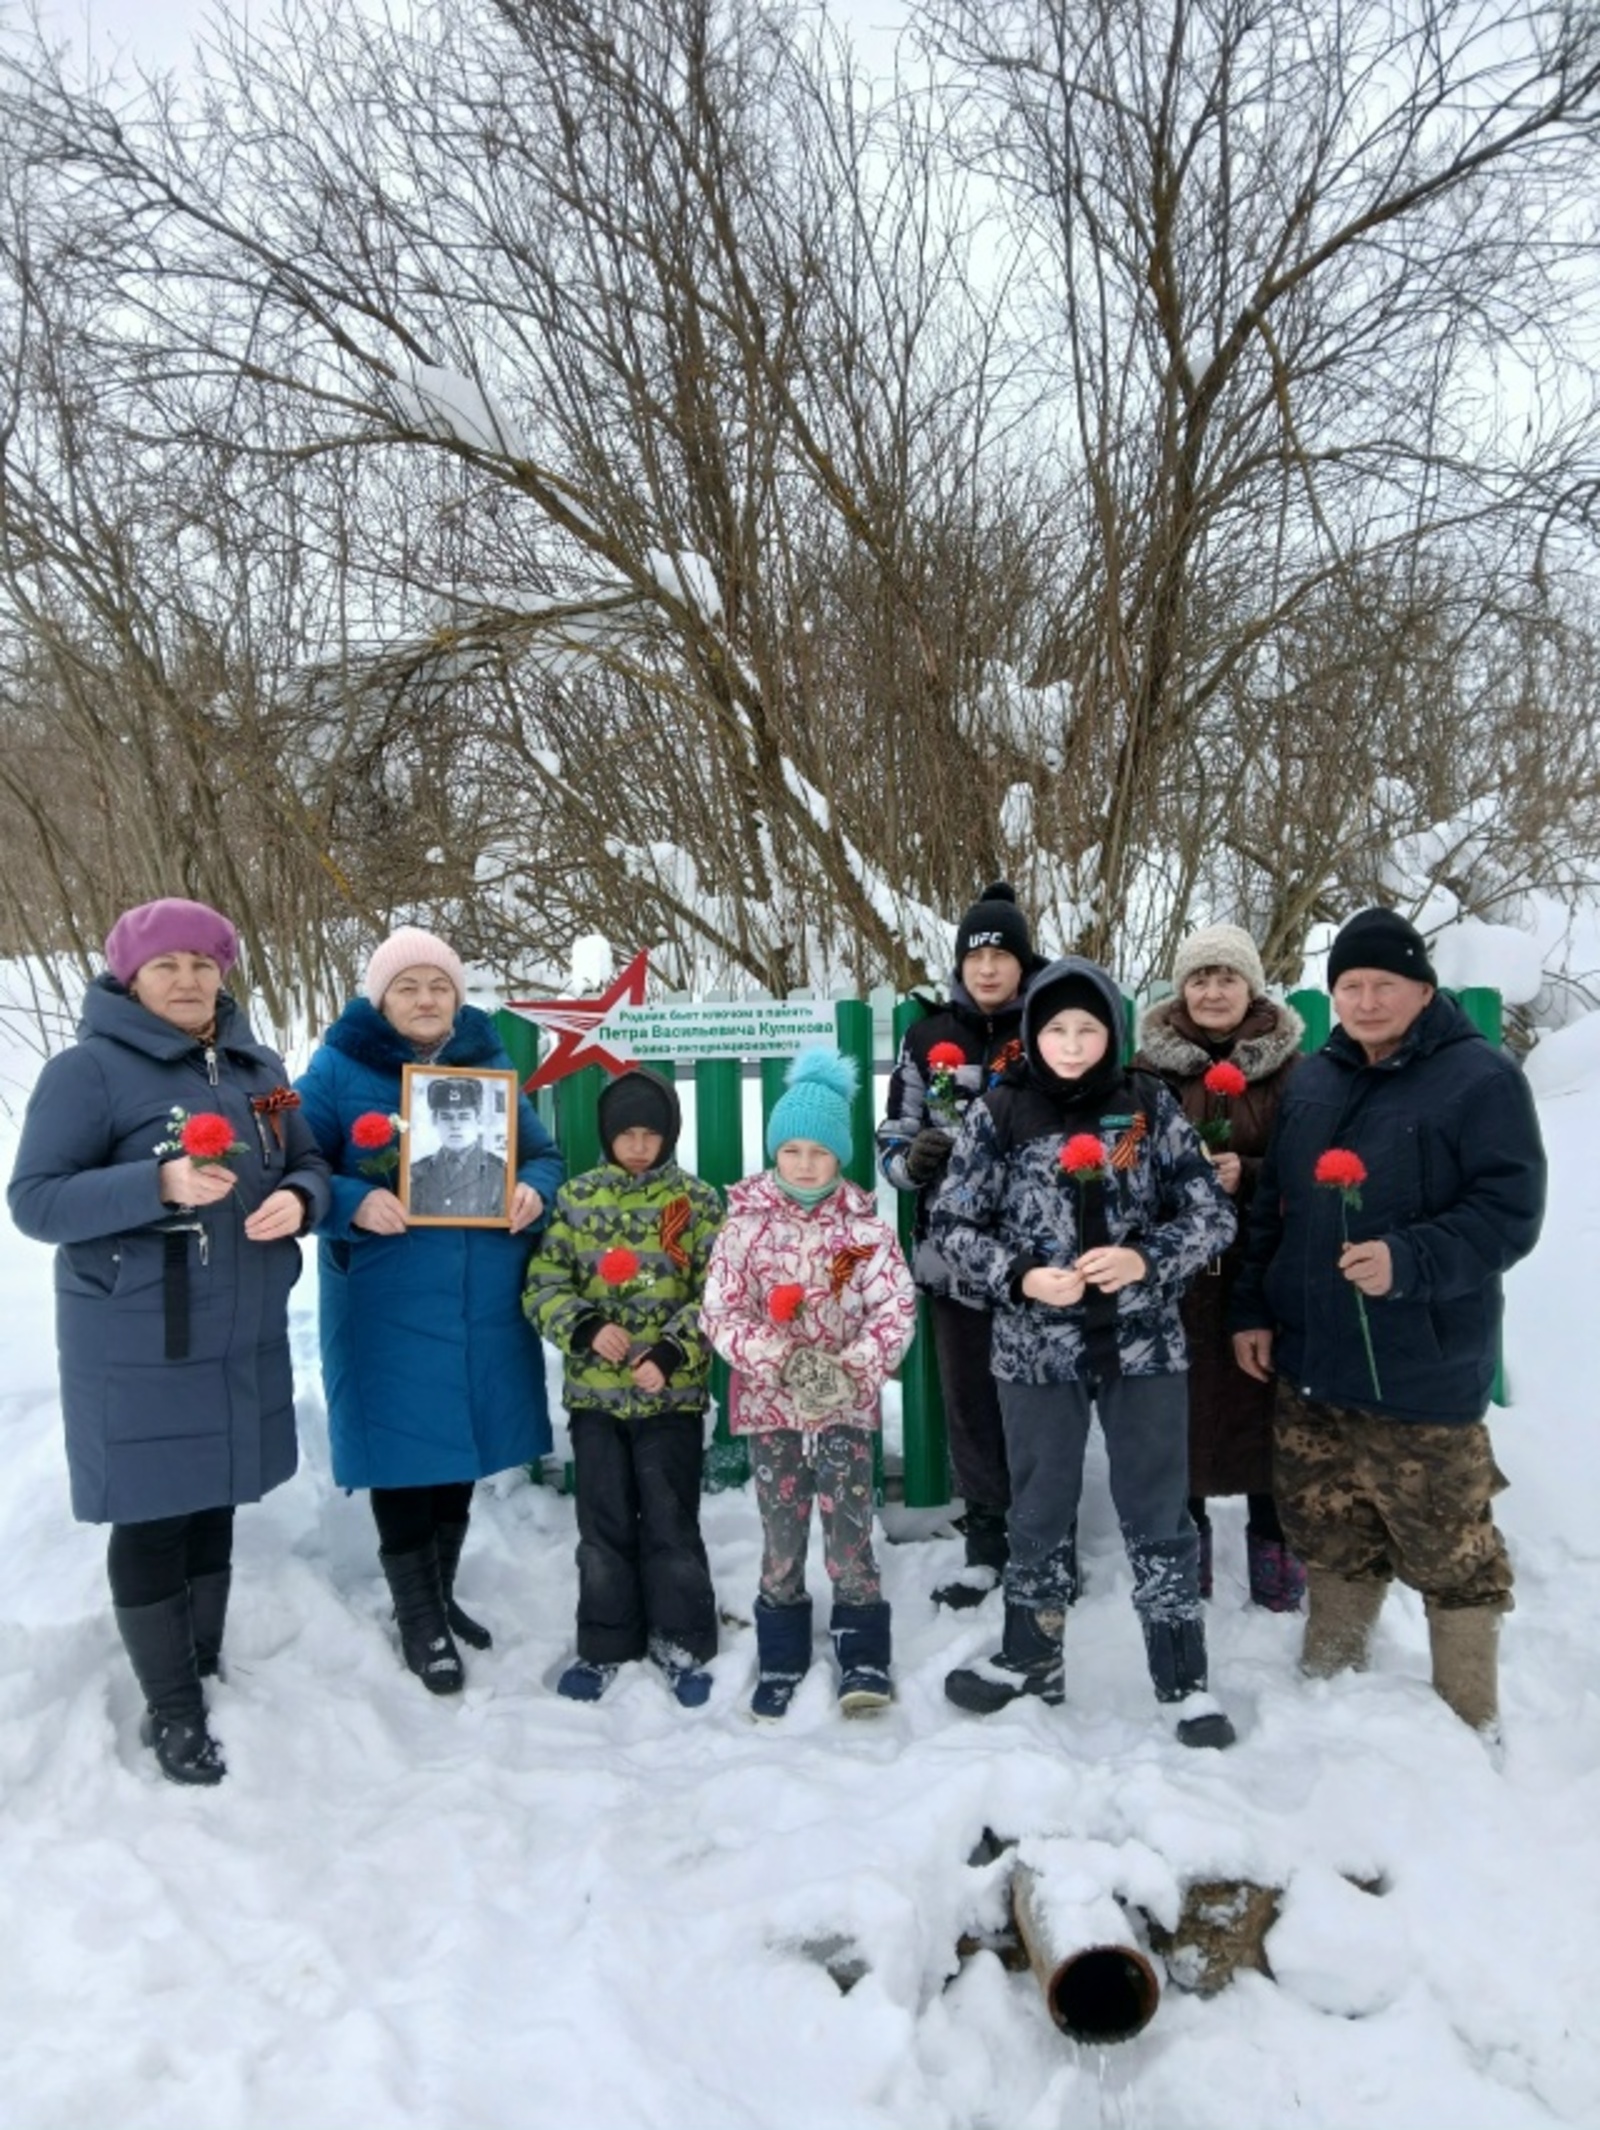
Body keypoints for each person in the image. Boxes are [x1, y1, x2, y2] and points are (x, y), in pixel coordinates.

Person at [7, 898, 331, 1786]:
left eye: (202, 963)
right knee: (153, 1514)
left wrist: (302, 1200)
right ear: (129, 978)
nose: (188, 980)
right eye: (166, 966)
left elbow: (310, 1162)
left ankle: (203, 1660)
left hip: (238, 1329)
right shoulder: (88, 1072)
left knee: (213, 1499)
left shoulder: (259, 1068)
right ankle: (172, 1709)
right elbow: (36, 1200)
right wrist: (159, 1182)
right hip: (137, 1337)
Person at [1230, 907, 1546, 1737]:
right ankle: (1333, 1678)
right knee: (1327, 1528)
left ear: (1423, 989)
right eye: (1350, 986)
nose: (1366, 1002)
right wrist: (1254, 1309)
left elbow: (1508, 1211)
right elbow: (1275, 1208)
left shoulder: (1478, 1079)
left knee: (1449, 1545)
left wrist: (1411, 1259)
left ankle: (1469, 1715)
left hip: (1423, 1366)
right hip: (1313, 1362)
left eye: (1383, 985)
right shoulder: (1317, 1078)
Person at [928, 956, 1239, 1748]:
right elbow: (953, 1227)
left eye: (1088, 1027)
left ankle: (1183, 1681)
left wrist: (1147, 1261)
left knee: (1159, 1509)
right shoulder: (1000, 1112)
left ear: (1112, 1033)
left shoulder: (1148, 1106)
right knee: (1037, 1506)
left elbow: (1209, 1213)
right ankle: (1032, 1658)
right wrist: (1023, 1276)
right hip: (1036, 1353)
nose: (1071, 1043)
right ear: (1034, 1032)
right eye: (1057, 1027)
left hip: (1144, 1349)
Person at [295, 926, 564, 1695]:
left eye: (438, 986)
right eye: (407, 987)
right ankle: (417, 1615)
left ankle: (440, 1595)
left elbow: (541, 1153)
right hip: (386, 1293)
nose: (424, 1000)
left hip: (479, 1294)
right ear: (381, 999)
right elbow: (300, 1163)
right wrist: (354, 1197)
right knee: (403, 1450)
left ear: (457, 997)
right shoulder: (338, 1068)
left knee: (459, 1446)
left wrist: (533, 1189)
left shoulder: (491, 1062)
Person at [702, 1050, 916, 1719]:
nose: (802, 1164)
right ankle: (784, 1650)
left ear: (840, 1157)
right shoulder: (743, 1228)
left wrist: (850, 1369)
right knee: (781, 1532)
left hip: (845, 1412)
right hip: (772, 1411)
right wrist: (783, 1361)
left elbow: (895, 1309)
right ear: (774, 1152)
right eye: (790, 1149)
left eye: (818, 1152)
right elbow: (721, 1311)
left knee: (850, 1532)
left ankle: (862, 1650)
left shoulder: (865, 1234)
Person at [524, 1067, 724, 1706]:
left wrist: (671, 1350)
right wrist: (584, 1329)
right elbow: (543, 1286)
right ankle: (606, 1640)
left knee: (671, 1520)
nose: (639, 1145)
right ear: (607, 1136)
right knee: (603, 1524)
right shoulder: (577, 1202)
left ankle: (683, 1638)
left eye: (650, 1134)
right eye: (627, 1134)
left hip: (672, 1398)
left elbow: (719, 1294)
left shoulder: (696, 1203)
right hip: (596, 1399)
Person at [877, 882, 1047, 1607]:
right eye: (975, 956)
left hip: (1038, 1253)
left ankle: (1046, 1541)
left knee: (1039, 1401)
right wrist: (909, 1165)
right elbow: (894, 1134)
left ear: (1021, 962)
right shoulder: (926, 1035)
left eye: (1001, 955)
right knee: (971, 1402)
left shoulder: (1050, 1021)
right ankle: (987, 1542)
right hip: (951, 1255)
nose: (987, 970)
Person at [1134, 923, 1306, 1609]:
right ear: (1181, 988)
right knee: (1181, 1418)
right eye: (1200, 977)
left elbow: (1313, 1163)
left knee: (1266, 1414)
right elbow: (1122, 1160)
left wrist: (1251, 1172)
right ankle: (1189, 1560)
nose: (1212, 991)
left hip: (1261, 1269)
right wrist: (1178, 1175)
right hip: (1177, 1277)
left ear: (1251, 988)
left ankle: (1276, 1560)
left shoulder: (1292, 1067)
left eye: (1226, 977)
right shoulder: (1149, 1070)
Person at [408, 1075, 508, 1219]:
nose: (455, 1126)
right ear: (435, 1120)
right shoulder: (416, 1173)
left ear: (477, 1119)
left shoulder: (500, 1173)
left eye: (464, 1117)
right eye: (447, 1117)